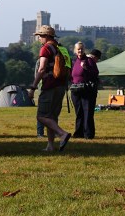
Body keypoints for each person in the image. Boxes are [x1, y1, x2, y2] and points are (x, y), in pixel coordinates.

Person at [29, 25, 71, 153]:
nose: (39, 39)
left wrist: (33, 87)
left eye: (40, 36)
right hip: (61, 86)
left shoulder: (46, 48)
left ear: (46, 36)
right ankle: (50, 146)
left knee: (41, 116)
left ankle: (62, 134)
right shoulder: (61, 48)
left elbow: (41, 69)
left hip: (49, 86)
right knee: (52, 117)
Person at [69, 42, 100, 139]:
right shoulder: (74, 61)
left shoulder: (89, 60)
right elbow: (71, 75)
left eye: (82, 49)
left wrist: (86, 68)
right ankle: (78, 133)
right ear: (75, 50)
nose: (80, 51)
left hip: (87, 90)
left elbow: (95, 74)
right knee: (79, 113)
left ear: (84, 50)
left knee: (87, 112)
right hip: (76, 90)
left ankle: (88, 134)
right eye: (78, 49)